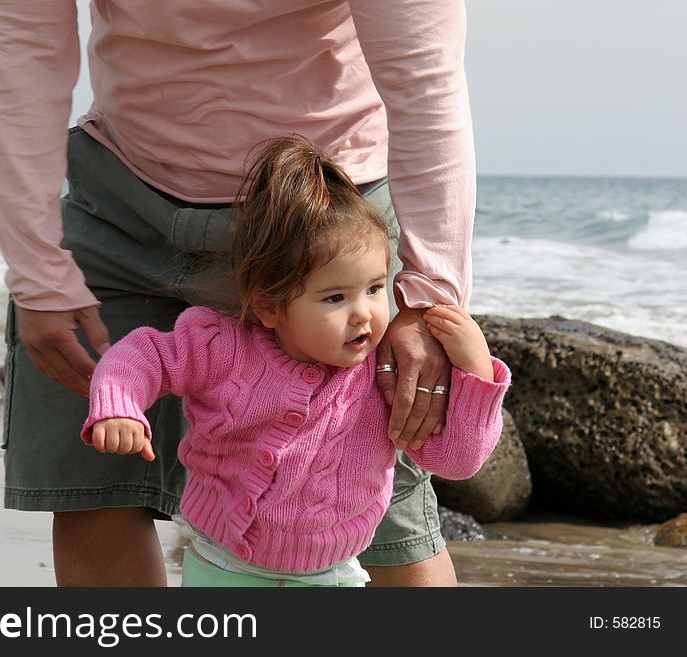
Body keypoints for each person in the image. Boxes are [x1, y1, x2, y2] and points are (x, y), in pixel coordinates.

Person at [0, 0, 478, 586]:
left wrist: (429, 297)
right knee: (94, 487)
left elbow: (426, 80)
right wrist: (38, 274)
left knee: (391, 520)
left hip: (327, 216)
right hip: (124, 190)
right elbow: (20, 58)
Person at [82, 136, 510, 587]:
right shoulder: (222, 344)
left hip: (333, 578)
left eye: (374, 288)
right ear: (269, 306)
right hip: (221, 569)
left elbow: (456, 462)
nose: (363, 312)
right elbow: (141, 355)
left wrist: (476, 375)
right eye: (334, 297)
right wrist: (118, 405)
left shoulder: (383, 375)